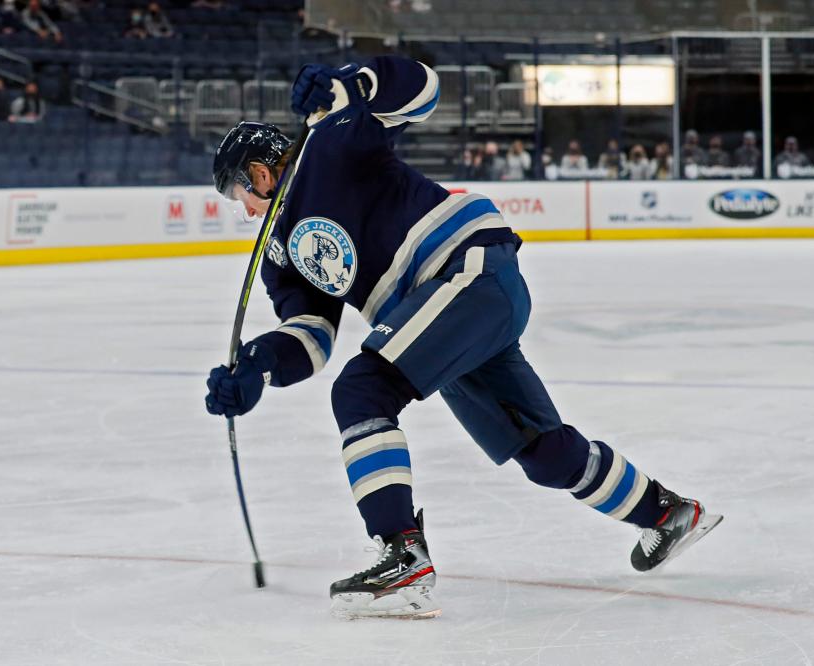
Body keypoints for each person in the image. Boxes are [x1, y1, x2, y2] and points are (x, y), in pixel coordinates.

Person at [203, 55, 722, 620]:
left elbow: (423, 89)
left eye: (240, 197)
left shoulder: (330, 141)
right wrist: (257, 365)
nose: (246, 213)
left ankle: (402, 554)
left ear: (258, 173)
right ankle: (666, 513)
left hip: (465, 272)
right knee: (541, 451)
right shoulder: (284, 259)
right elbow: (310, 337)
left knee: (363, 391)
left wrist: (346, 83)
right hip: (444, 314)